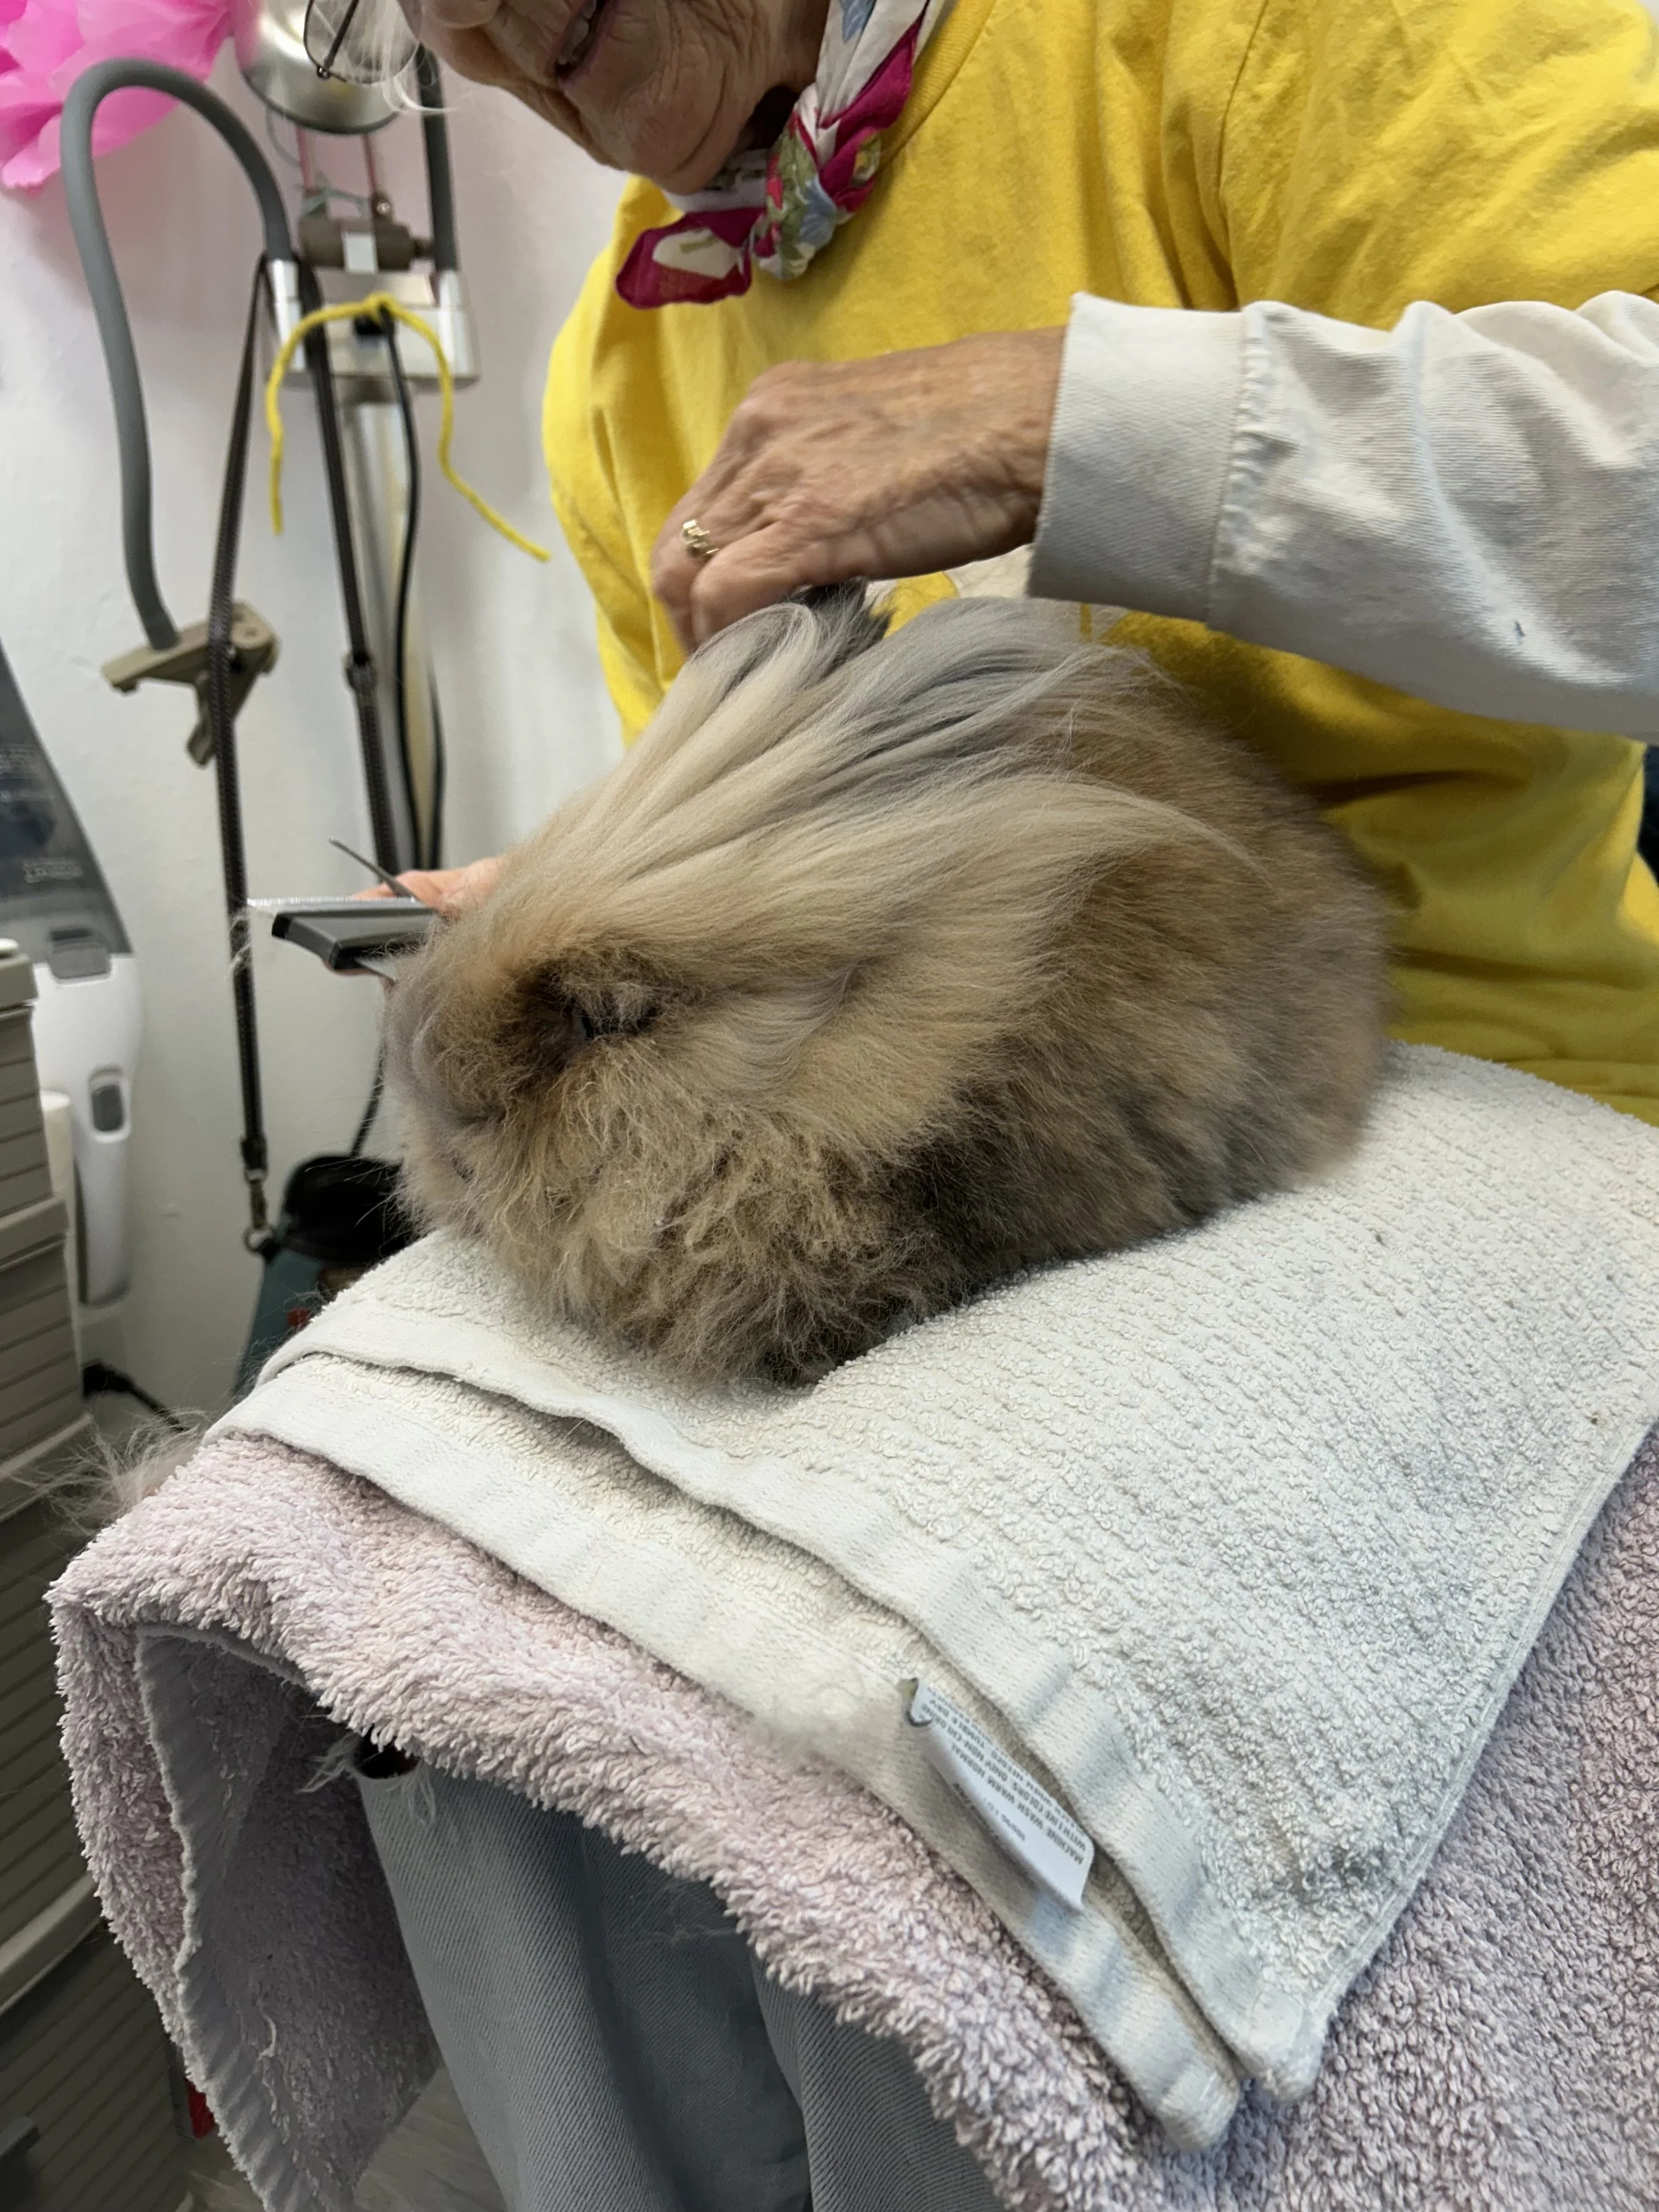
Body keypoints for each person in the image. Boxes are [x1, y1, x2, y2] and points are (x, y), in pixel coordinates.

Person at [354, 2, 1659, 2203]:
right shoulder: (627, 351)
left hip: (1479, 1098)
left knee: (925, 1797)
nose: (478, 34)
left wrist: (1100, 427)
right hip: (998, 1165)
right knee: (441, 1597)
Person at [403, 0, 1659, 1132]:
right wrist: (629, 902)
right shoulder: (610, 370)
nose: (454, 14)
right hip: (945, 1105)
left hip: (1451, 1082)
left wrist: (1066, 428)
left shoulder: (1288, 28)